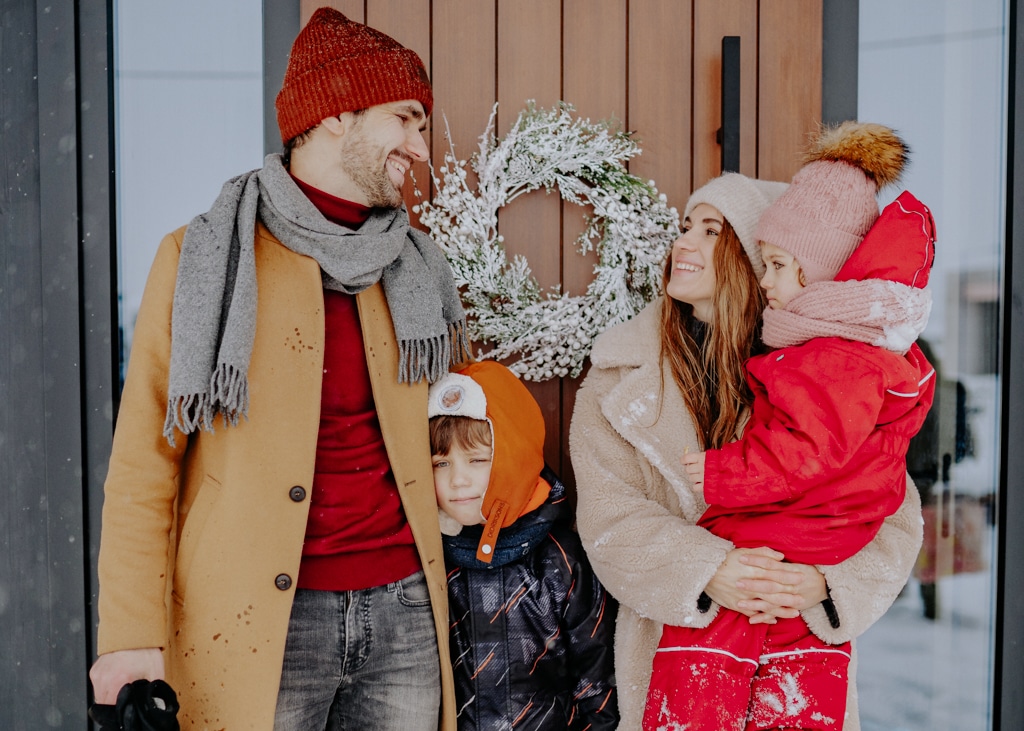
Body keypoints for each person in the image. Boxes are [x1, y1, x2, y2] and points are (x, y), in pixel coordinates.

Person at [89, 9, 465, 730]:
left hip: (404, 614)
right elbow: (145, 462)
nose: (421, 147)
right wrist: (131, 638)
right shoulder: (205, 260)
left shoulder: (417, 268)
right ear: (335, 115)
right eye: (406, 118)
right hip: (256, 619)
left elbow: (457, 425)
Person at [569, 169, 925, 731]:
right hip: (679, 663)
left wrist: (826, 585)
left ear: (767, 260)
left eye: (712, 231)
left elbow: (893, 519)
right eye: (686, 226)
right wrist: (709, 570)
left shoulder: (833, 377)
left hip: (800, 665)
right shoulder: (619, 382)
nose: (683, 243)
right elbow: (609, 519)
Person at [427, 361, 619, 730]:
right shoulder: (429, 557)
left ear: (513, 457)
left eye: (477, 460)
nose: (457, 480)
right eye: (441, 463)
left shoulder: (560, 558)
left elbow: (596, 678)